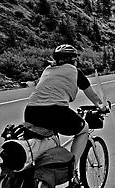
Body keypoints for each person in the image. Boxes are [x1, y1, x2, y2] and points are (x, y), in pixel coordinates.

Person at [24, 44, 108, 176]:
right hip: (56, 111)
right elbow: (92, 95)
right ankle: (71, 170)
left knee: (46, 139)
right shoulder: (75, 72)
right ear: (74, 59)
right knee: (84, 129)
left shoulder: (48, 70)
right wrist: (102, 106)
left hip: (30, 111)